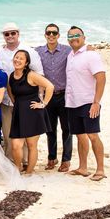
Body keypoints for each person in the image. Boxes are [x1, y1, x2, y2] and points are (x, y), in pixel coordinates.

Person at [65, 26, 107, 181]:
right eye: (70, 36)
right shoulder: (70, 55)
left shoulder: (91, 55)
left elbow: (101, 77)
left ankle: (100, 170)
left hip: (88, 102)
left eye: (77, 35)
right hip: (72, 102)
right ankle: (83, 168)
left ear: (83, 37)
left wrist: (96, 102)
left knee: (93, 135)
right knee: (79, 136)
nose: (74, 38)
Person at [0, 22, 43, 159]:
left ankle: (25, 162)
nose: (10, 36)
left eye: (13, 33)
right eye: (7, 34)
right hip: (6, 100)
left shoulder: (29, 51)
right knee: (7, 134)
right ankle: (10, 162)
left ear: (18, 34)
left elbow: (39, 74)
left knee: (26, 134)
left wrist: (40, 98)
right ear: (3, 36)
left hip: (26, 101)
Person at [7, 50, 54, 175]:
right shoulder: (11, 76)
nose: (17, 60)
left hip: (33, 113)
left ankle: (29, 171)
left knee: (31, 145)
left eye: (21, 59)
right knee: (16, 145)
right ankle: (17, 169)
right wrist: (17, 105)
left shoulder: (31, 75)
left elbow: (50, 86)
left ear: (26, 62)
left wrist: (43, 103)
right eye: (16, 57)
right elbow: (10, 91)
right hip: (19, 114)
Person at [35, 24, 73, 172]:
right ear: (45, 35)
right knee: (50, 130)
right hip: (47, 97)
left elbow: (81, 52)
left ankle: (66, 160)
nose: (51, 35)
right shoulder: (38, 51)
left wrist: (89, 49)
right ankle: (52, 157)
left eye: (54, 33)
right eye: (48, 33)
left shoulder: (67, 51)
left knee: (67, 129)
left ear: (58, 35)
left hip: (64, 95)